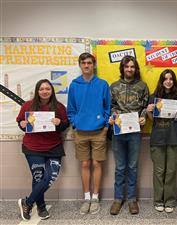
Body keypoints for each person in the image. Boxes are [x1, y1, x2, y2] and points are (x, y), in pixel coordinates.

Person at [16, 79, 69, 221]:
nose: (45, 91)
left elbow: (65, 125)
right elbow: (20, 121)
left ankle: (27, 202)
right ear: (37, 91)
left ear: (52, 91)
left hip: (53, 147)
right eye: (41, 89)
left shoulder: (59, 107)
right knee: (38, 177)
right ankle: (41, 206)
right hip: (33, 148)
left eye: (48, 89)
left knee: (50, 177)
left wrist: (60, 123)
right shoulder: (28, 105)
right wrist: (22, 123)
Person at [67, 52, 110, 214]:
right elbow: (70, 109)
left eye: (89, 63)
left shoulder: (102, 84)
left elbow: (108, 107)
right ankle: (86, 197)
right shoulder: (74, 85)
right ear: (80, 65)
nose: (86, 65)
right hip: (80, 131)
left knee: (97, 163)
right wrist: (75, 123)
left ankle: (95, 197)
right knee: (85, 164)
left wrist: (105, 125)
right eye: (84, 63)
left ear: (94, 65)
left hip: (99, 131)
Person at [109, 55, 149, 215]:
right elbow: (111, 106)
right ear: (122, 68)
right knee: (120, 167)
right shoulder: (114, 86)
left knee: (132, 167)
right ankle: (118, 199)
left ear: (136, 68)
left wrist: (143, 116)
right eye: (127, 67)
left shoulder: (142, 86)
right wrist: (112, 116)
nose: (129, 69)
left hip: (134, 132)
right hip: (118, 131)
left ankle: (132, 199)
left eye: (132, 67)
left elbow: (146, 106)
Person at [146, 69, 177, 213]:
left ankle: (169, 201)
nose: (168, 81)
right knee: (159, 171)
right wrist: (149, 110)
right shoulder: (153, 97)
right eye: (165, 79)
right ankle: (158, 200)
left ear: (173, 81)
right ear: (161, 81)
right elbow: (152, 120)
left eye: (171, 79)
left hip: (174, 138)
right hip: (157, 139)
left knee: (171, 171)